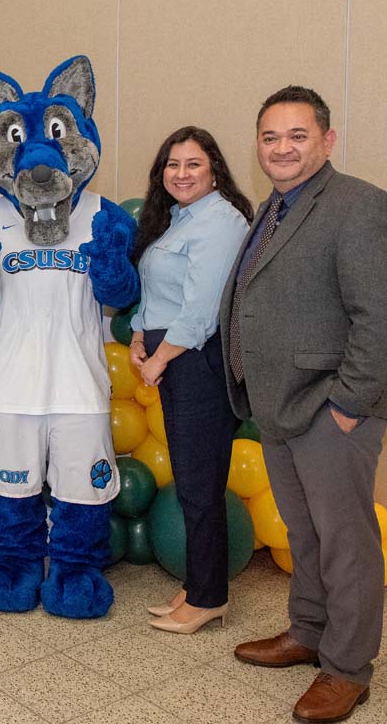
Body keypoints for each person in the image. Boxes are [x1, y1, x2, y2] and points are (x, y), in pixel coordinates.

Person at [220, 87, 387, 723]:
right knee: (304, 535)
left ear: (326, 141)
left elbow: (383, 315)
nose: (282, 148)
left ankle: (348, 669)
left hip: (331, 407)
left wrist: (351, 403)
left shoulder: (359, 206)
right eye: (270, 137)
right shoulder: (274, 210)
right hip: (278, 406)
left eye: (297, 136)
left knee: (346, 544)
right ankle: (307, 631)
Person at [128, 127, 252, 634]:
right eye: (172, 165)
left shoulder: (221, 221)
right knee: (191, 481)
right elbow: (158, 292)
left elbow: (201, 311)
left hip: (195, 362)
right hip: (171, 354)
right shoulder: (180, 219)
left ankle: (208, 598)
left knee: (200, 485)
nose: (181, 174)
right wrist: (138, 335)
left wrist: (158, 360)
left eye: (193, 164)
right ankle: (198, 587)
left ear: (215, 169)